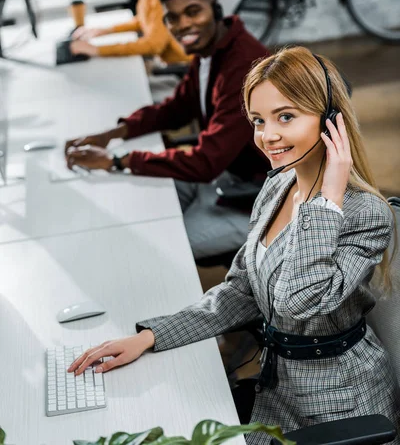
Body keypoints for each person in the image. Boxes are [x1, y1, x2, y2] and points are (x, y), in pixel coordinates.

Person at [68, 46, 398, 442]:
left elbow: (300, 301)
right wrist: (150, 337)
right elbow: (241, 289)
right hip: (279, 390)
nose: (267, 135)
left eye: (286, 116)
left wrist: (326, 202)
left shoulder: (366, 215)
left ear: (331, 122)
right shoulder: (278, 185)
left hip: (339, 407)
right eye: (258, 120)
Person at [65, 0, 270, 259]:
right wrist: (112, 134)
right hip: (229, 177)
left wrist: (117, 159)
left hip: (263, 197)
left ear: (216, 8)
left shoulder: (243, 66)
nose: (183, 25)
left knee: (165, 245)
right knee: (140, 196)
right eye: (172, 17)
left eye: (193, 12)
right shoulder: (212, 49)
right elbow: (177, 108)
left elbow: (205, 163)